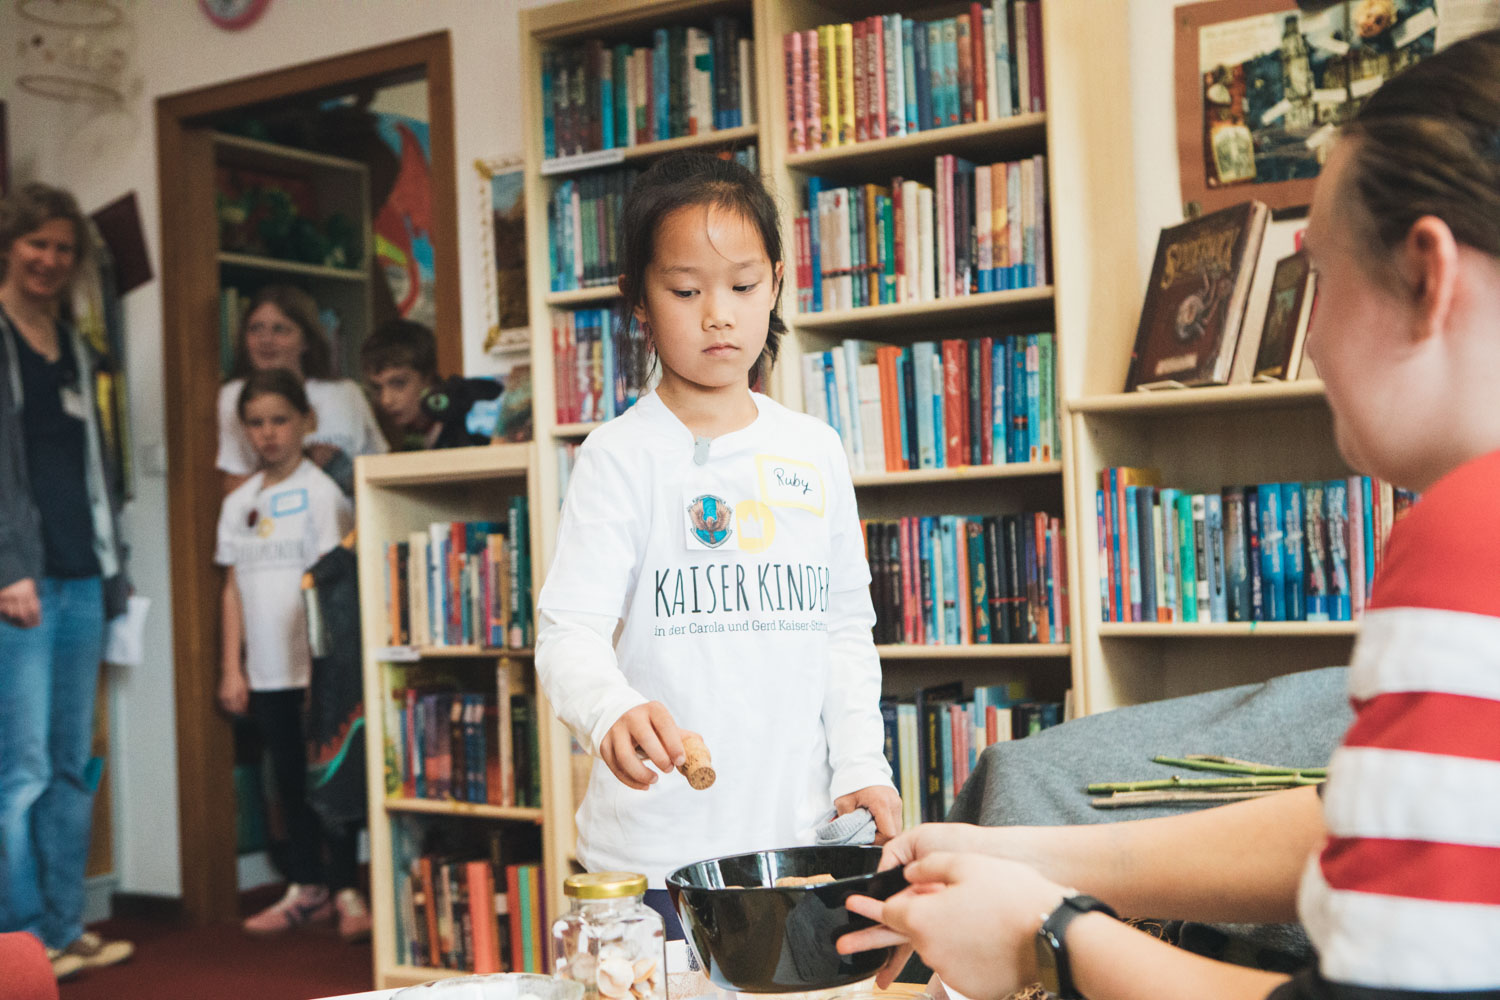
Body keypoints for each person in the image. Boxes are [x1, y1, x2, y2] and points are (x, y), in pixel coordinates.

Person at [839, 31, 1500, 1000]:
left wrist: (1049, 941)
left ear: (1428, 272)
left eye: (1316, 281)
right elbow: (1375, 821)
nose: (1307, 338)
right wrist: (1021, 850)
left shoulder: (1467, 536)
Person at [535, 152, 901, 935]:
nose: (717, 315)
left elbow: (843, 630)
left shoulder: (815, 448)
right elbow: (568, 632)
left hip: (799, 847)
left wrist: (863, 766)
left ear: (774, 282)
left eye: (741, 287)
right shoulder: (618, 456)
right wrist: (610, 710)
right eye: (685, 290)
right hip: (658, 858)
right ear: (638, 299)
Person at [0, 182, 133, 980]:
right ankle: (18, 943)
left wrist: (115, 571)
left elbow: (95, 469)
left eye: (62, 248)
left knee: (71, 762)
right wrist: (7, 567)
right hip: (21, 583)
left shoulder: (77, 346)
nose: (49, 259)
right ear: (9, 247)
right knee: (17, 771)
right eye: (35, 244)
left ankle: (61, 925)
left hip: (85, 578)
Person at [215, 368, 369, 941]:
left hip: (317, 669)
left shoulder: (323, 495)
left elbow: (335, 589)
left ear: (305, 422)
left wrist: (324, 669)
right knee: (286, 779)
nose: (268, 433)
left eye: (280, 420)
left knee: (329, 776)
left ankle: (348, 888)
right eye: (256, 423)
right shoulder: (240, 504)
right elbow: (232, 588)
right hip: (265, 671)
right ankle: (306, 885)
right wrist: (232, 667)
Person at [217, 284, 387, 495]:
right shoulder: (234, 395)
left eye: (280, 329)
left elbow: (381, 468)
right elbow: (234, 483)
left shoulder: (344, 392)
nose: (266, 340)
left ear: (306, 340)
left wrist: (336, 464)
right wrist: (303, 462)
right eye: (255, 329)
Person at [359, 317, 502, 450]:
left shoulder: (472, 416)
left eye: (398, 383)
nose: (386, 400)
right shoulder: (411, 443)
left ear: (428, 377)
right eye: (377, 388)